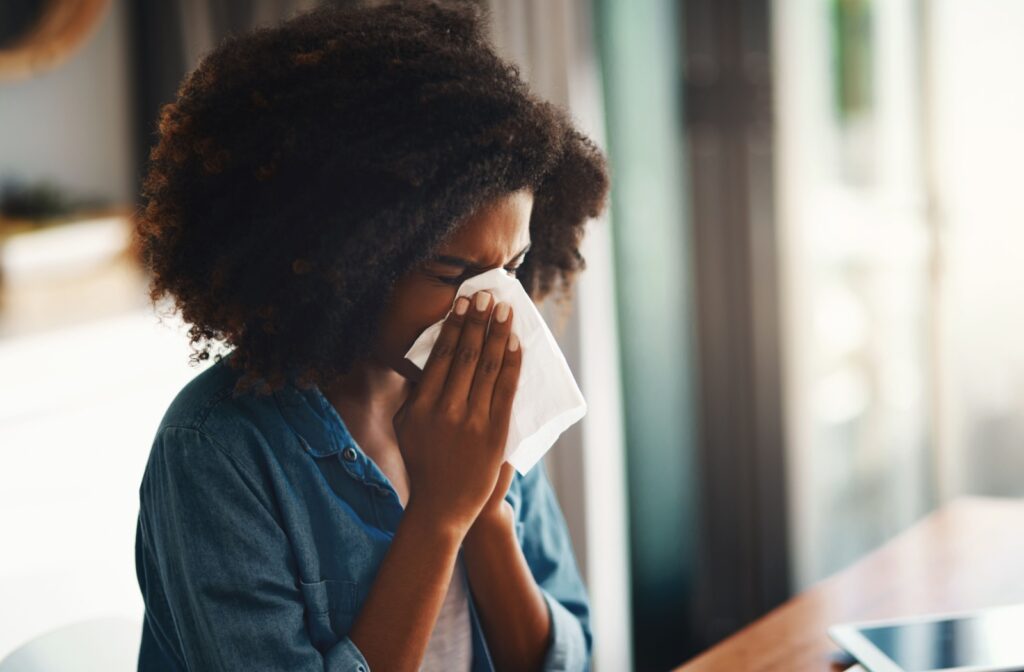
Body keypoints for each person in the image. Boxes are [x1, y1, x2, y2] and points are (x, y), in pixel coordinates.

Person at [132, 1, 610, 670]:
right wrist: (440, 514)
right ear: (346, 263)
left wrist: (487, 514)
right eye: (454, 273)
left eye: (514, 266)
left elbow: (572, 659)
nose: (497, 307)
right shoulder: (219, 451)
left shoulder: (478, 399)